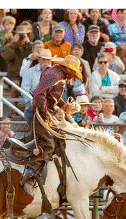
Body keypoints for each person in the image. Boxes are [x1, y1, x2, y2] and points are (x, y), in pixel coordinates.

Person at [19, 55, 82, 185]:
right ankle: (30, 173)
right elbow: (39, 95)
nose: (74, 76)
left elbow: (50, 95)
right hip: (37, 111)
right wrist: (44, 112)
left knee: (51, 140)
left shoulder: (56, 73)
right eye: (74, 72)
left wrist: (63, 105)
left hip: (40, 110)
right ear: (69, 69)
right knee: (47, 144)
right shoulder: (55, 75)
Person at [1, 25, 32, 100]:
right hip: (14, 74)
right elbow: (6, 56)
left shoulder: (30, 47)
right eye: (19, 35)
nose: (21, 37)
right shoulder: (11, 46)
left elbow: (34, 55)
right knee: (15, 84)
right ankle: (14, 107)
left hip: (27, 74)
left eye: (23, 35)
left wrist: (28, 43)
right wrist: (14, 43)